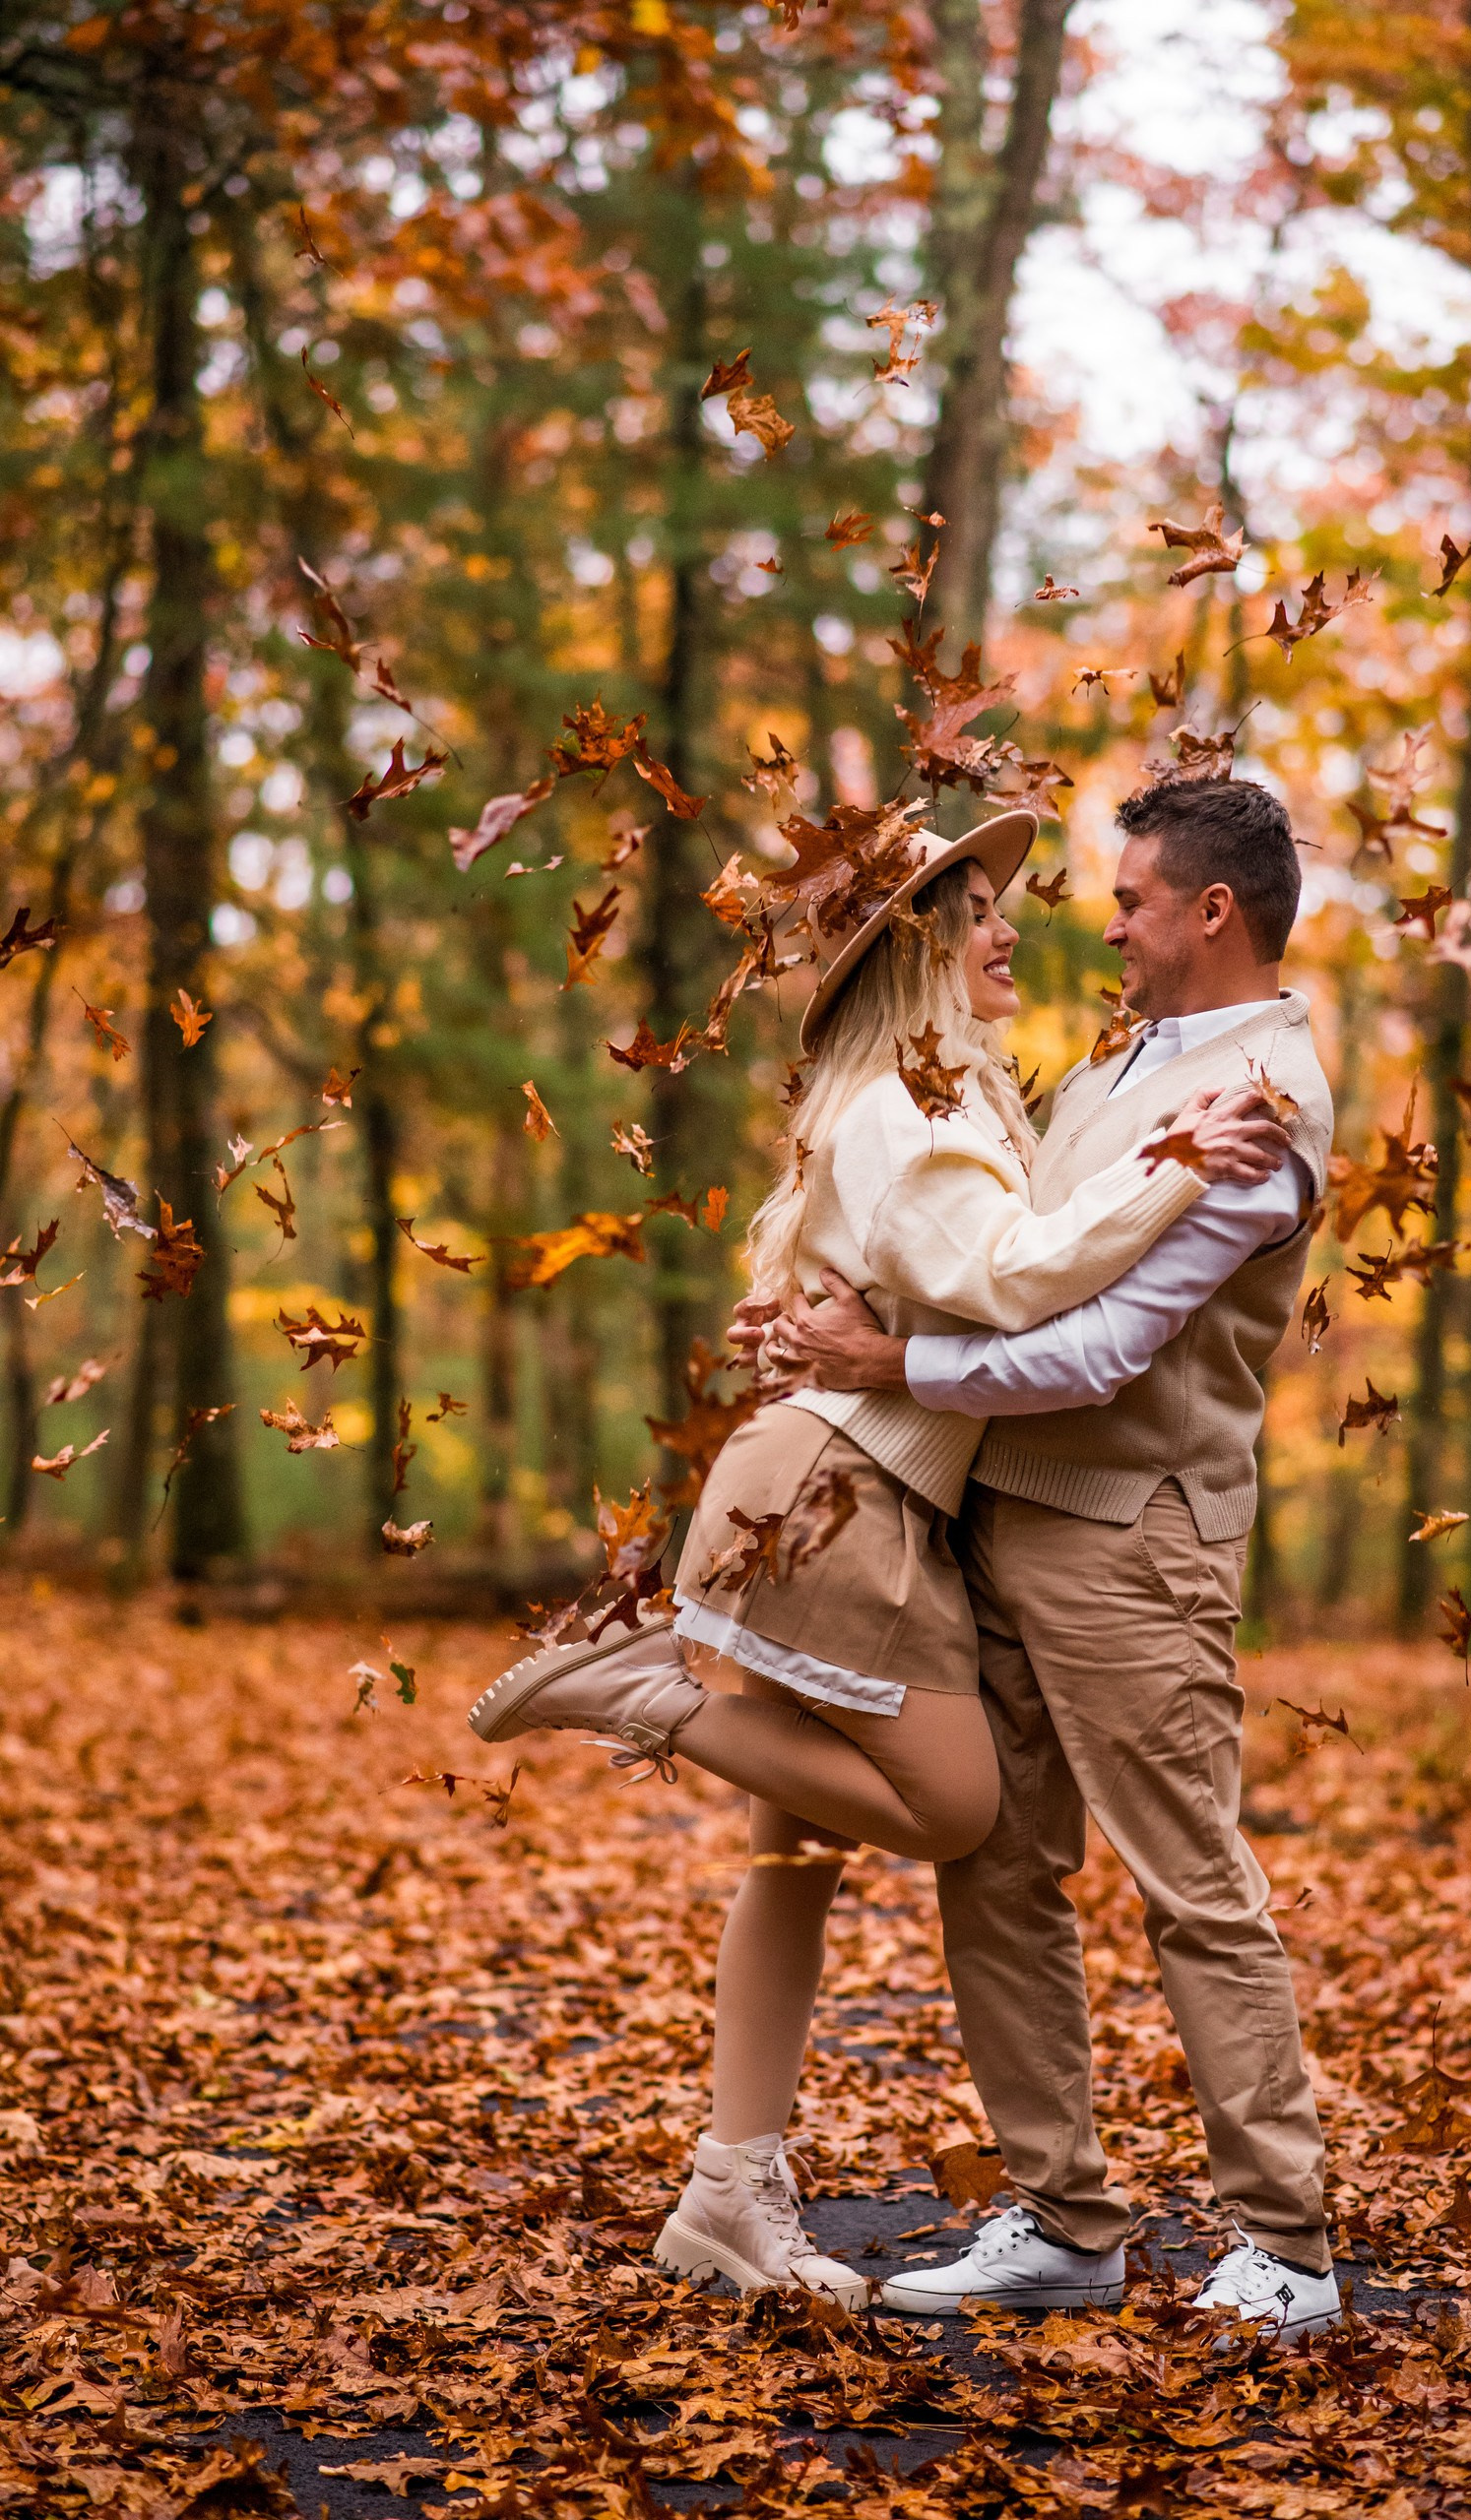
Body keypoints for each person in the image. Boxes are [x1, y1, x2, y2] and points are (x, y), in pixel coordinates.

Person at [466, 806, 1288, 2312]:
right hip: (847, 1494)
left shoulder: (940, 1098)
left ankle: (731, 2184)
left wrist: (862, 1339)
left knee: (799, 1843)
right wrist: (1178, 1163)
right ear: (909, 950)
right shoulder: (916, 1114)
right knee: (962, 1815)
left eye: (1006, 903)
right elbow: (1021, 1278)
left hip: (845, 1489)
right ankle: (654, 1700)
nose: (1014, 930)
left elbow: (982, 1269)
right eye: (972, 909)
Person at [757, 776, 1343, 2343]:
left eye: (1134, 897)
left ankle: (1283, 2239)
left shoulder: (1265, 1102)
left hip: (1134, 1534)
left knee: (1188, 1880)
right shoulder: (1132, 1056)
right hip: (1001, 1510)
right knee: (999, 1865)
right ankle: (1064, 2217)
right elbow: (990, 1249)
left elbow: (1103, 1346)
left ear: (1213, 911)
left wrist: (895, 1369)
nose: (1109, 919)